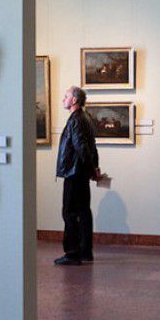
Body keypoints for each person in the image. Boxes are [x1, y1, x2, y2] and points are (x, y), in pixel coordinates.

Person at [54, 86, 100, 266]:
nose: (63, 99)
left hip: (74, 174)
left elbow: (82, 147)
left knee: (69, 212)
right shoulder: (85, 118)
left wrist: (92, 168)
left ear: (74, 100)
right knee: (83, 211)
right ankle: (85, 251)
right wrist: (94, 168)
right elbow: (91, 147)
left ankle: (72, 253)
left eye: (66, 96)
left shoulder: (76, 120)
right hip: (81, 173)